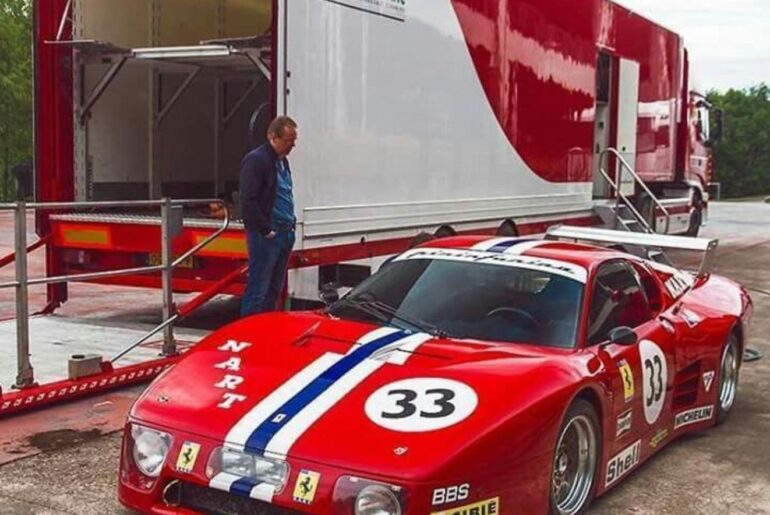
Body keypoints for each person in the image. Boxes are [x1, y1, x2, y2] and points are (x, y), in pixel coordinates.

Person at [239, 116, 298, 316]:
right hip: (267, 235)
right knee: (258, 288)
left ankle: (266, 327)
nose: (292, 145)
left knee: (274, 289)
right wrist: (265, 229)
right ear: (273, 137)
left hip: (285, 231)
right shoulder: (257, 161)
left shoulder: (283, 163)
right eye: (288, 140)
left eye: (293, 140)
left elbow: (284, 193)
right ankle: (248, 332)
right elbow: (248, 200)